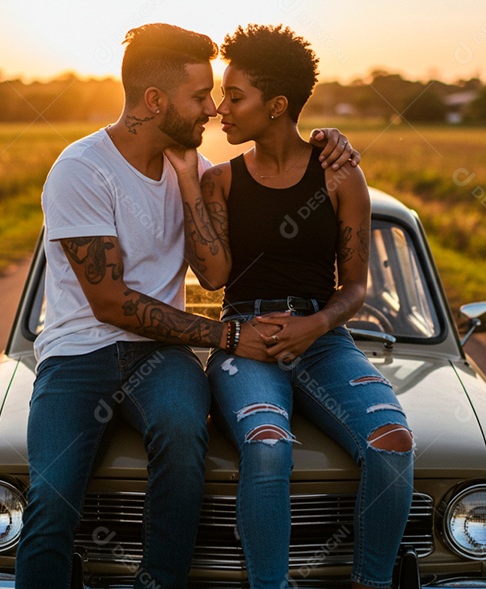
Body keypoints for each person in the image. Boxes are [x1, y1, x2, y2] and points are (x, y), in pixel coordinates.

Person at [18, 23, 359, 589]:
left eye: (218, 96)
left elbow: (218, 266)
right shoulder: (80, 169)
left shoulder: (197, 171)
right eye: (201, 97)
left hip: (161, 355)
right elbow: (109, 302)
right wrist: (224, 337)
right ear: (155, 101)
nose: (212, 110)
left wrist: (324, 137)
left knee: (182, 448)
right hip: (77, 355)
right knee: (51, 497)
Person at [164, 24, 415, 589]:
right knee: (269, 447)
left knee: (393, 442)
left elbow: (354, 286)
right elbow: (215, 274)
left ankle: (368, 583)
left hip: (323, 337)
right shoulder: (221, 180)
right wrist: (187, 184)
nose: (220, 110)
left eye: (235, 96)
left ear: (277, 106)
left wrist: (314, 325)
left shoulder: (340, 175)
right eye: (222, 96)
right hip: (244, 341)